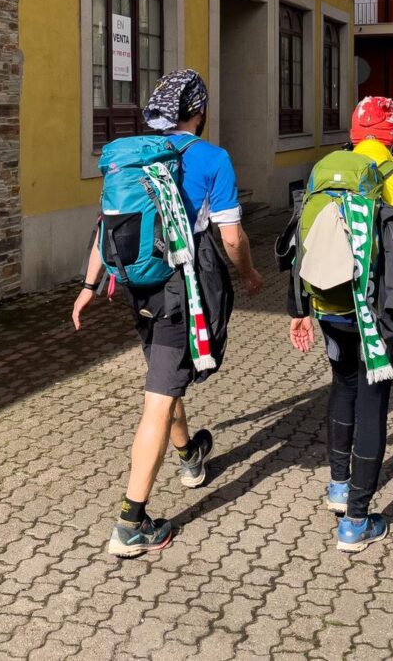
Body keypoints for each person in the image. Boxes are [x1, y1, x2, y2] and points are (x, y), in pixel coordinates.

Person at [72, 69, 263, 558]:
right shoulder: (212, 159)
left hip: (139, 285)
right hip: (183, 290)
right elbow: (232, 238)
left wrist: (90, 284)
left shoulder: (133, 157)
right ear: (198, 112)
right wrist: (249, 275)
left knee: (164, 376)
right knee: (157, 401)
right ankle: (131, 523)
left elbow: (106, 225)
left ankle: (189, 455)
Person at [288, 97, 393, 552]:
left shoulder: (326, 173)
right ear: (392, 137)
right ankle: (356, 523)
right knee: (372, 400)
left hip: (329, 304)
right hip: (376, 313)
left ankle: (338, 488)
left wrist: (299, 307)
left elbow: (300, 241)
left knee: (342, 386)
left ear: (356, 134)